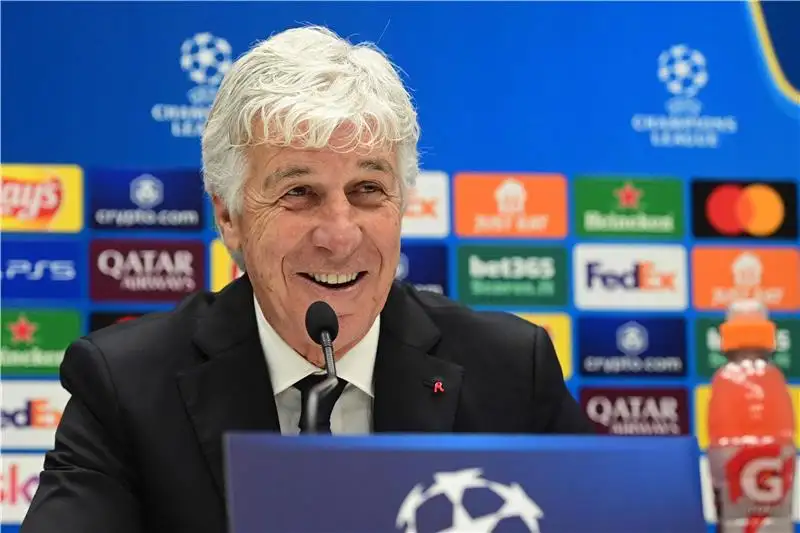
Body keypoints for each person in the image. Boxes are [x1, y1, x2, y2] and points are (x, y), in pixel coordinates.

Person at [21, 25, 593, 533]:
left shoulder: (510, 371)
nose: (340, 236)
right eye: (299, 193)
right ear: (228, 215)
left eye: (367, 190)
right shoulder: (126, 386)